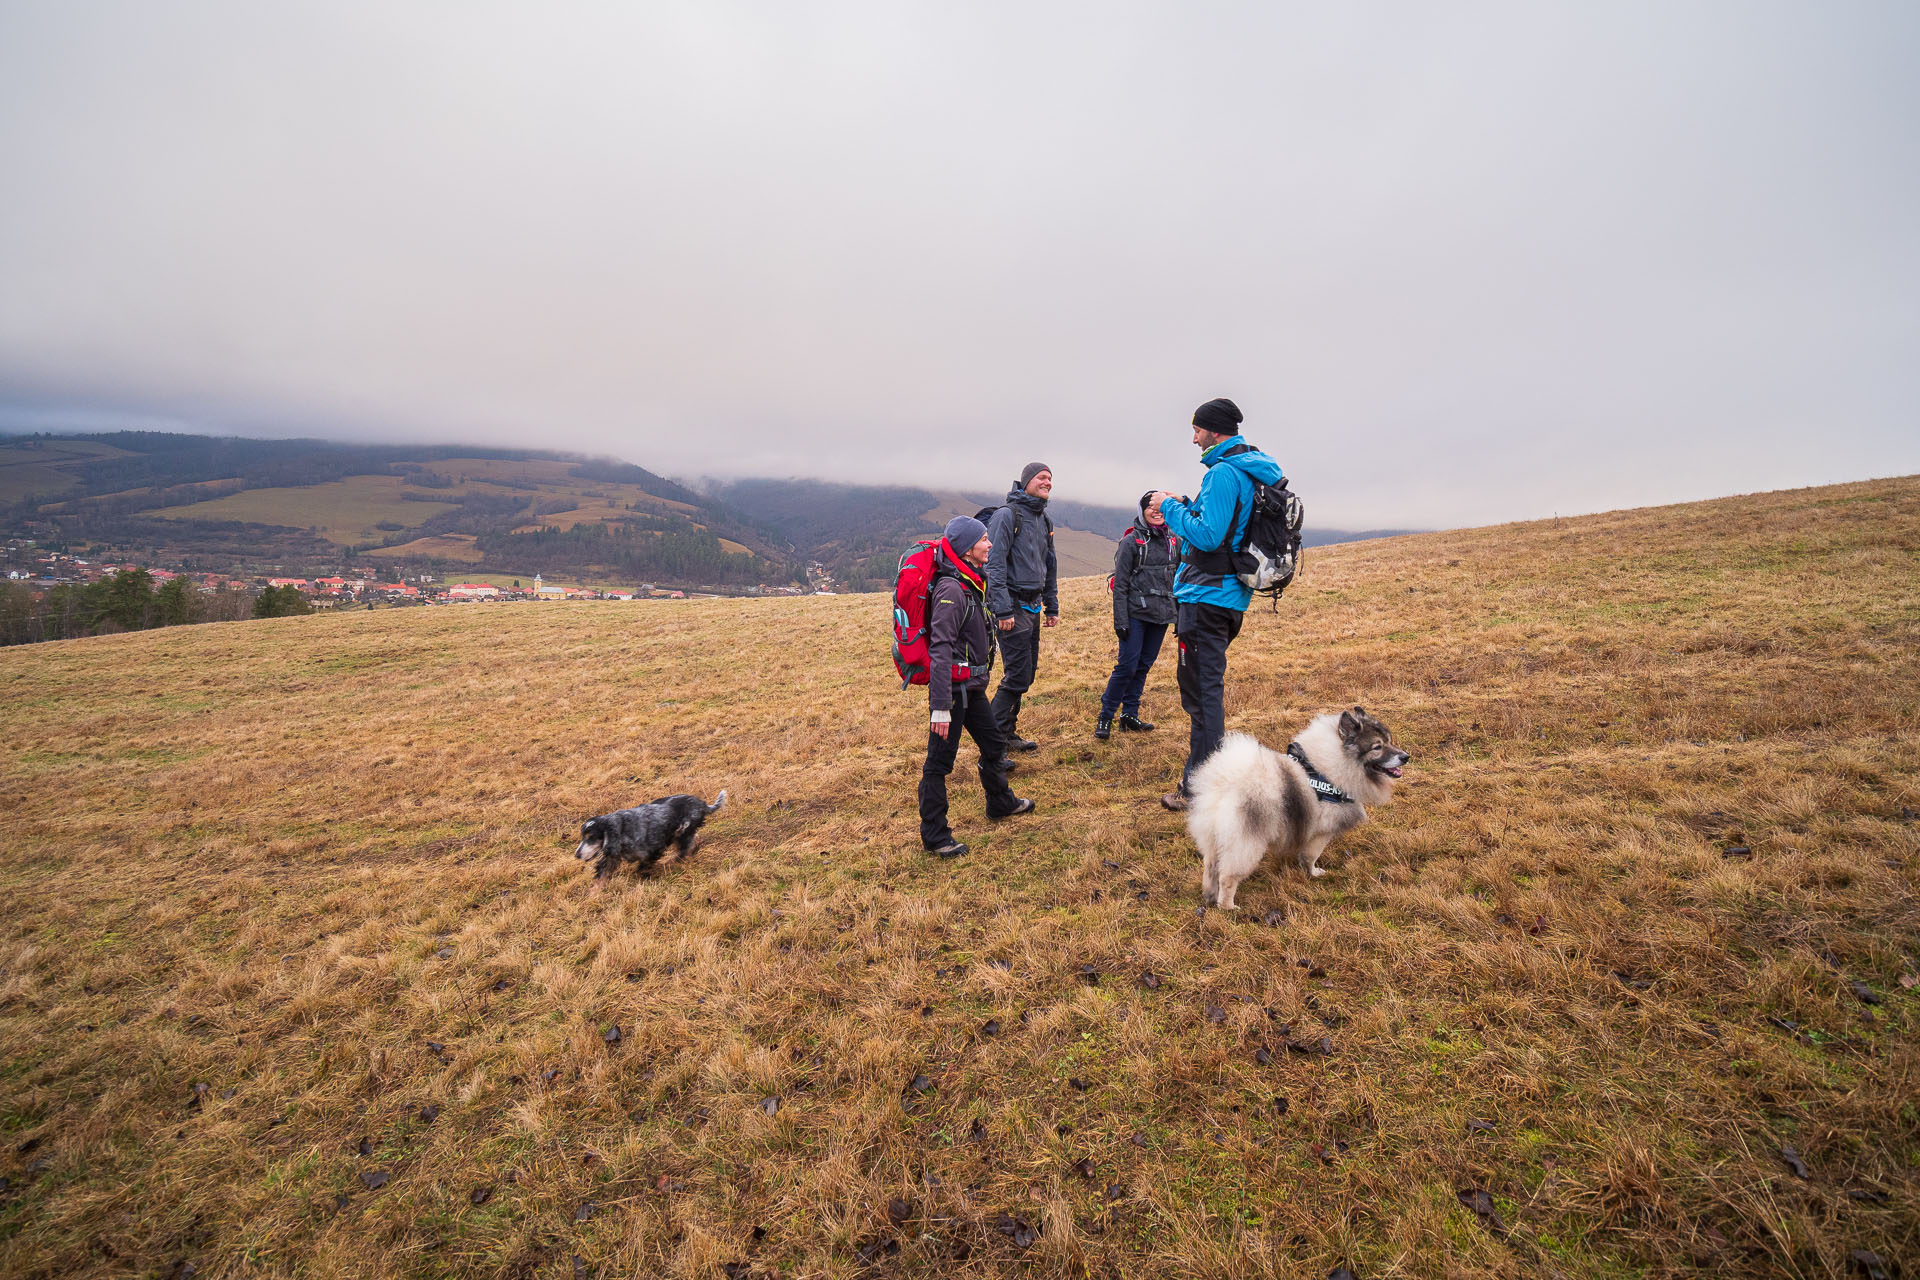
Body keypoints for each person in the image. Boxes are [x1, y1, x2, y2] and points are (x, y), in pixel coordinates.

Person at [1146, 398, 1284, 812]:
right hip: (1221, 596)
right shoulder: (1244, 468)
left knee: (1203, 695)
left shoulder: (1225, 473)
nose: (1193, 438)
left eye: (1197, 430)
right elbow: (1219, 528)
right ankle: (1207, 779)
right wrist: (1188, 505)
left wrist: (1169, 507)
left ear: (1215, 430)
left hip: (1208, 597)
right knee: (1203, 691)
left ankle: (1201, 788)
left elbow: (1207, 538)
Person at [921, 515, 1035, 857]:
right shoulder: (951, 590)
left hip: (971, 686)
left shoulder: (971, 581)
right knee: (939, 764)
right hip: (954, 692)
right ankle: (936, 836)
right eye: (984, 539)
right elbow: (940, 649)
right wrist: (940, 707)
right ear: (967, 548)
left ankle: (1000, 803)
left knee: (993, 743)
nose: (990, 544)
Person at [985, 463, 1059, 753]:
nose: (1048, 482)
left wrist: (1051, 605)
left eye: (1051, 479)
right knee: (1017, 675)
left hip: (1033, 606)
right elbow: (995, 563)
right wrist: (1002, 609)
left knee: (1025, 675)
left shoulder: (1044, 520)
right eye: (1042, 477)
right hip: (1012, 605)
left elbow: (1049, 565)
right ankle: (992, 742)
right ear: (1026, 481)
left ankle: (1006, 733)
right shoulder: (1007, 515)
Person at [1096, 492, 1177, 740]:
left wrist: (1179, 616)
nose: (1155, 511)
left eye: (1159, 507)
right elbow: (1120, 585)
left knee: (1142, 666)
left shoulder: (1175, 541)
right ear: (1142, 510)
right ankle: (1106, 716)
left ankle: (1129, 716)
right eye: (1150, 507)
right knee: (1127, 666)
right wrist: (1120, 621)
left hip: (1161, 614)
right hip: (1134, 614)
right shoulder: (1131, 542)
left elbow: (1179, 579)